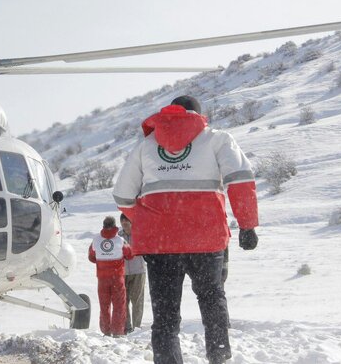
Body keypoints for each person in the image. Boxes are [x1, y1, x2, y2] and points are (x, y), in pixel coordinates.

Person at [112, 95, 259, 364]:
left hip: (161, 245)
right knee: (212, 302)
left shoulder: (146, 146)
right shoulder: (217, 139)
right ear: (198, 115)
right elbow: (240, 179)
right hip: (206, 241)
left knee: (165, 317)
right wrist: (247, 225)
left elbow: (123, 196)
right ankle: (219, 358)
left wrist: (149, 220)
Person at [88, 216, 133, 337]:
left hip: (102, 278)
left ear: (103, 226)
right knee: (119, 304)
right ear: (115, 226)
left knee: (104, 305)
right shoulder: (120, 240)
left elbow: (91, 256)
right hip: (117, 278)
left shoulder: (96, 240)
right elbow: (130, 254)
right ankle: (118, 331)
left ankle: (106, 331)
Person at [118, 213, 146, 333]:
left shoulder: (139, 233)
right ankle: (126, 327)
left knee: (137, 300)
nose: (124, 223)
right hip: (122, 272)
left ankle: (137, 327)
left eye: (126, 220)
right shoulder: (118, 236)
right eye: (122, 221)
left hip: (138, 271)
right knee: (123, 300)